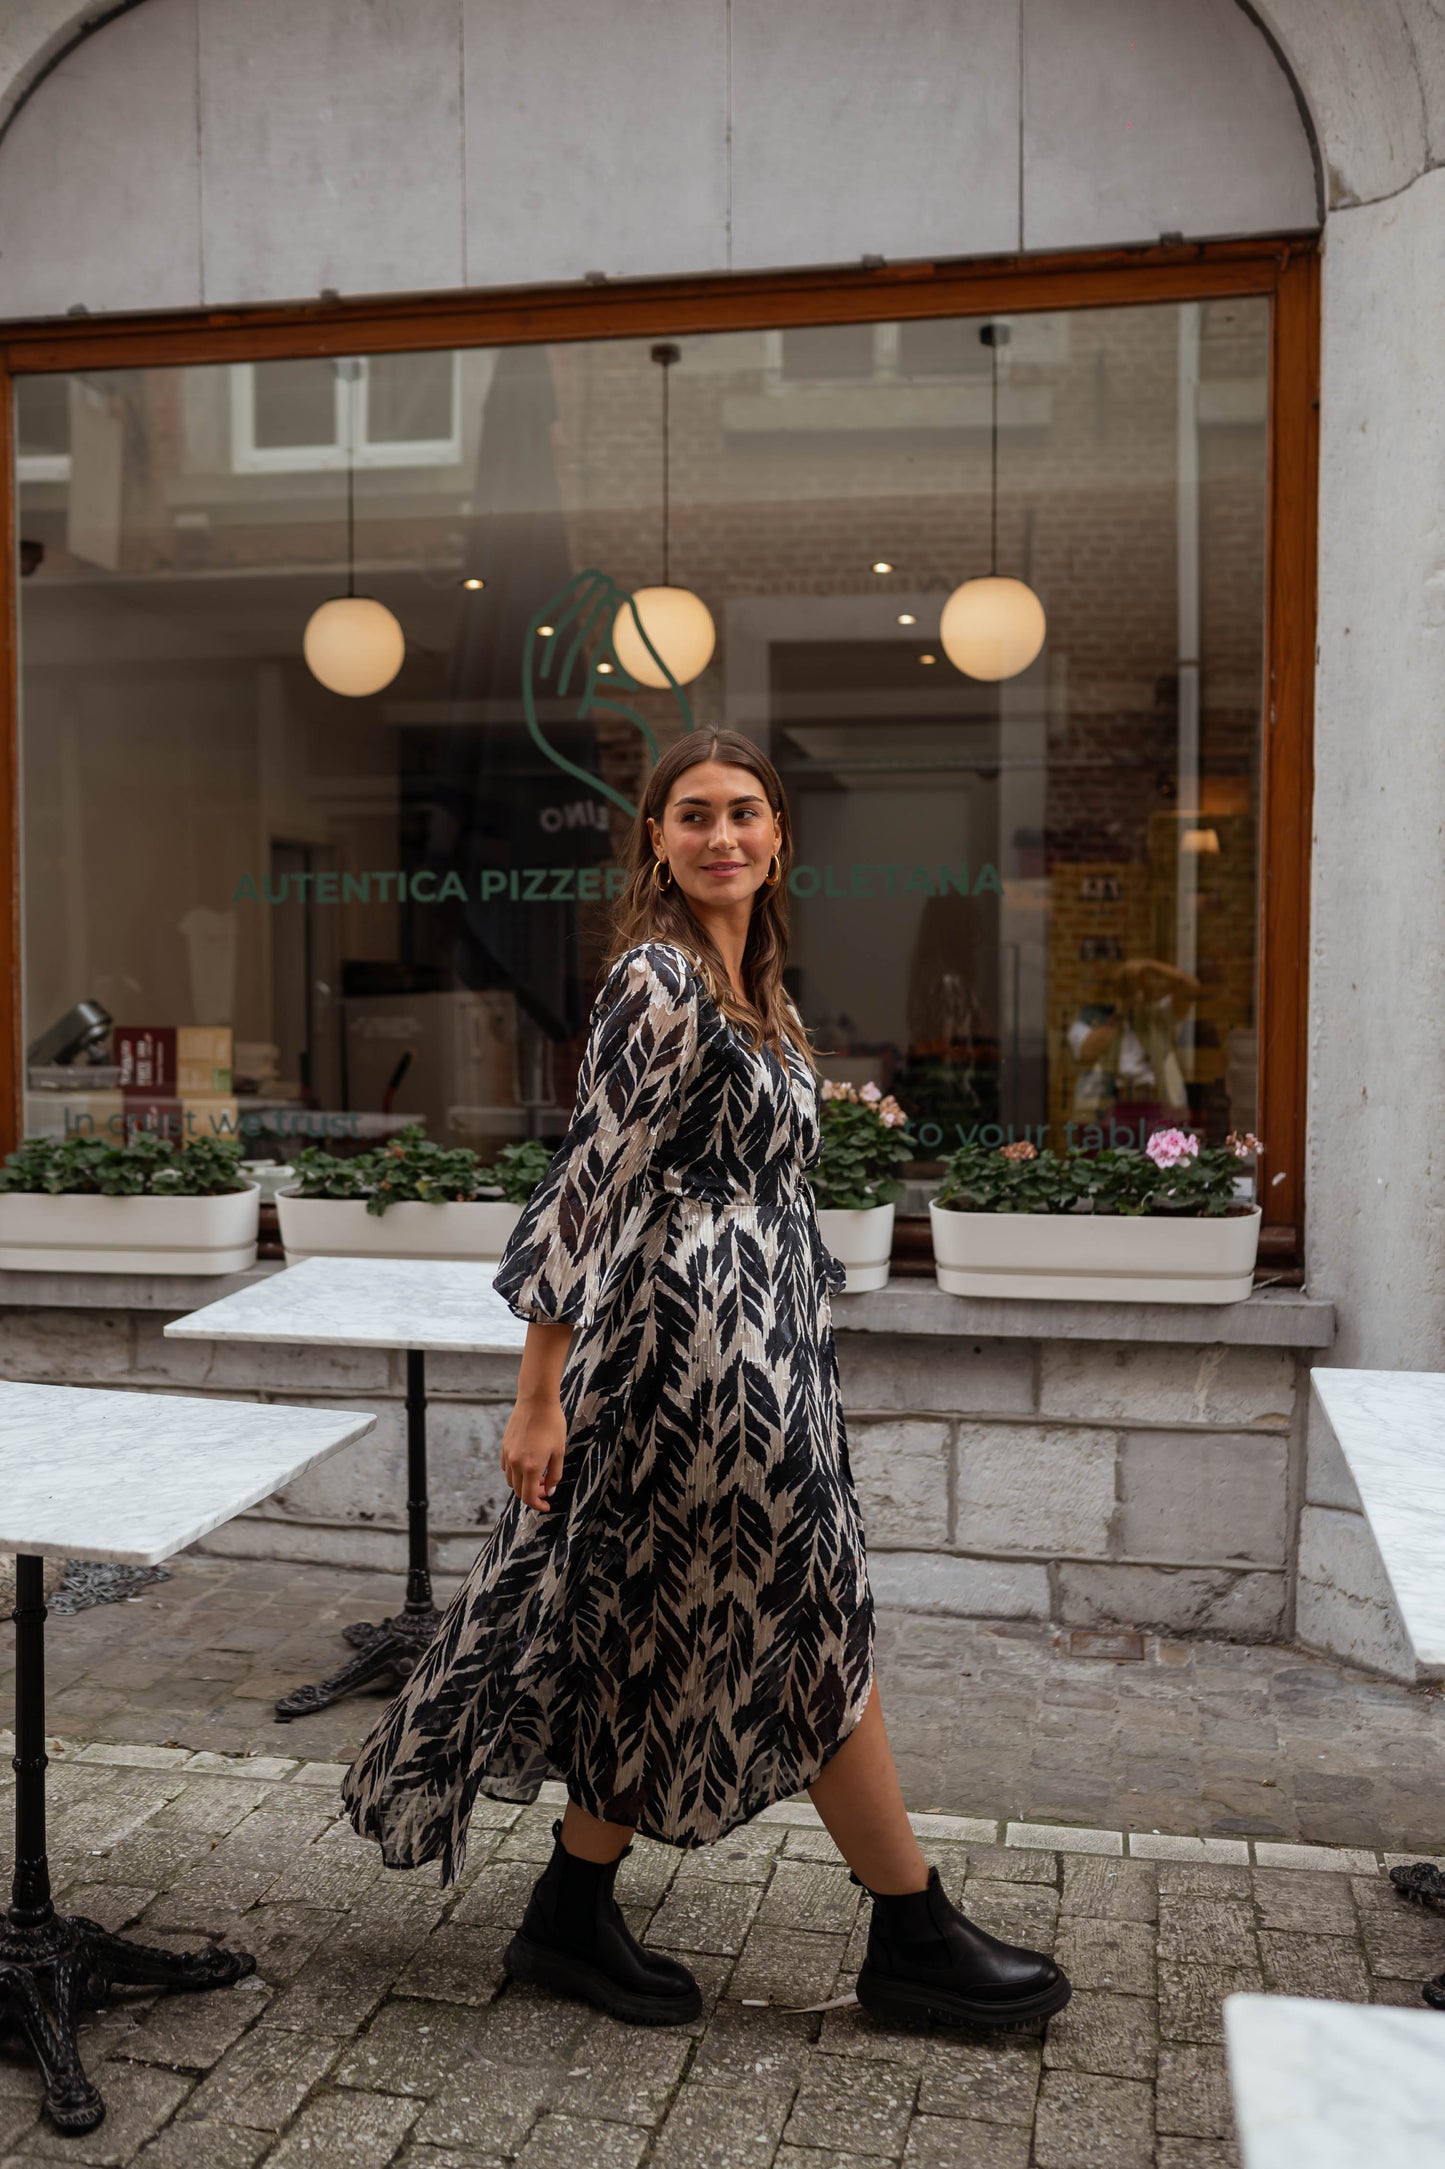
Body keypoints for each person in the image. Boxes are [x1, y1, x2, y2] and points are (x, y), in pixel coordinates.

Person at [342, 727, 1070, 2035]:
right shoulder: (658, 982)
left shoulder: (760, 988)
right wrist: (536, 1390)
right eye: (693, 814)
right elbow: (587, 1180)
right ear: (656, 841)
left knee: (656, 1631)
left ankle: (570, 1909)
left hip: (769, 1347)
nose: (721, 833)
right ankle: (911, 1929)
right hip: (692, 1365)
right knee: (814, 1615)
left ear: (777, 834)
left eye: (743, 811)